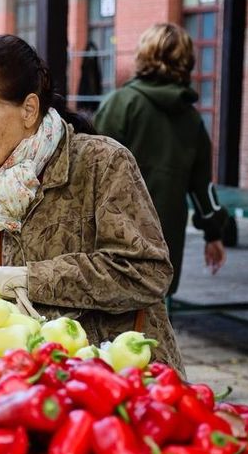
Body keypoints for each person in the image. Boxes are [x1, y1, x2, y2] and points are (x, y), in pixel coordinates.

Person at [0, 34, 183, 370]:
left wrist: (30, 280)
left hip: (124, 376)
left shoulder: (102, 163)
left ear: (29, 109)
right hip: (38, 378)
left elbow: (147, 272)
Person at [95, 23, 228, 295]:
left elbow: (89, 173)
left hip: (112, 242)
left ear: (143, 56)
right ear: (186, 62)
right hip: (164, 244)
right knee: (151, 324)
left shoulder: (120, 104)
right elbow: (203, 189)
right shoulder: (191, 120)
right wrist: (213, 234)